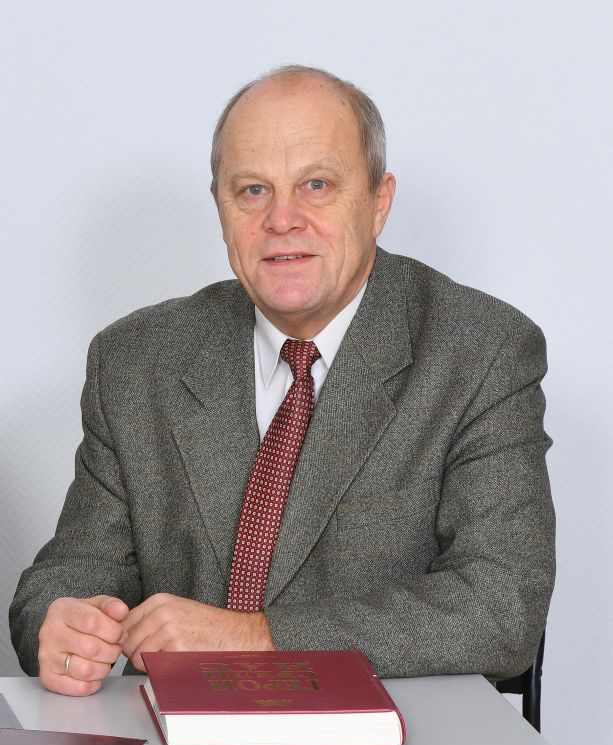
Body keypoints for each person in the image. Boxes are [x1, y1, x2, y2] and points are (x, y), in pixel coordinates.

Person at [9, 65, 555, 697]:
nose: (282, 218)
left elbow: (500, 608)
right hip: (172, 744)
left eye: (316, 185)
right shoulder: (135, 361)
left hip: (400, 744)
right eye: (252, 190)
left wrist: (255, 639)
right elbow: (71, 575)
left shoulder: (481, 352)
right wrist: (61, 624)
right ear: (220, 206)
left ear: (379, 201)